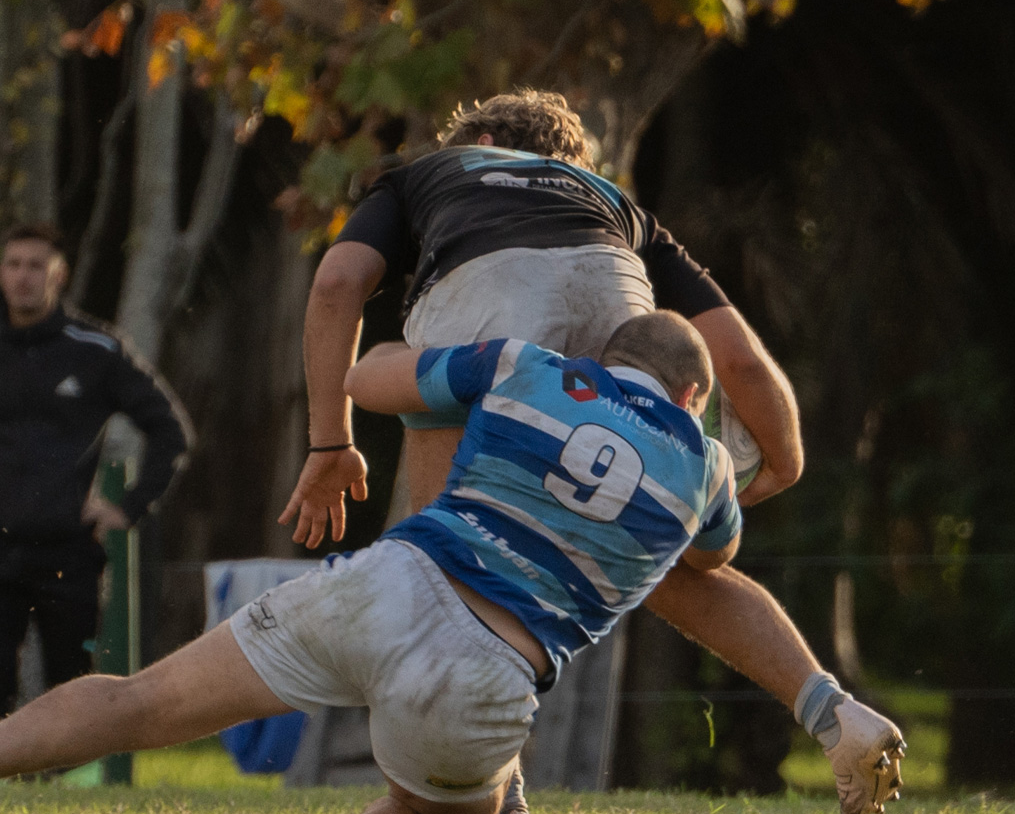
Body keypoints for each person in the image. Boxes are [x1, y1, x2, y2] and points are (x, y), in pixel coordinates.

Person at [0, 314, 905, 814]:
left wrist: (400, 378)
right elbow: (709, 566)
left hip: (385, 579)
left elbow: (379, 379)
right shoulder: (703, 461)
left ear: (603, 353)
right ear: (693, 389)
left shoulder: (519, 364)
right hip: (485, 673)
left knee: (137, 699)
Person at [279, 87, 802, 549]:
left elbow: (335, 285)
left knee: (450, 551)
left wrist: (331, 442)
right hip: (614, 310)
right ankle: (793, 659)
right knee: (601, 549)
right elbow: (741, 362)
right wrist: (784, 462)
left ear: (480, 138)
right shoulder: (617, 205)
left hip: (490, 317)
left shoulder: (427, 174)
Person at [0, 223, 192, 738]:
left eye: (36, 265)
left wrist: (127, 508)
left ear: (58, 275)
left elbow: (171, 432)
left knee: (73, 691)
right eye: (13, 264)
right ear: (1, 273)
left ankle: (65, 795)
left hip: (69, 549)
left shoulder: (97, 350)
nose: (23, 276)